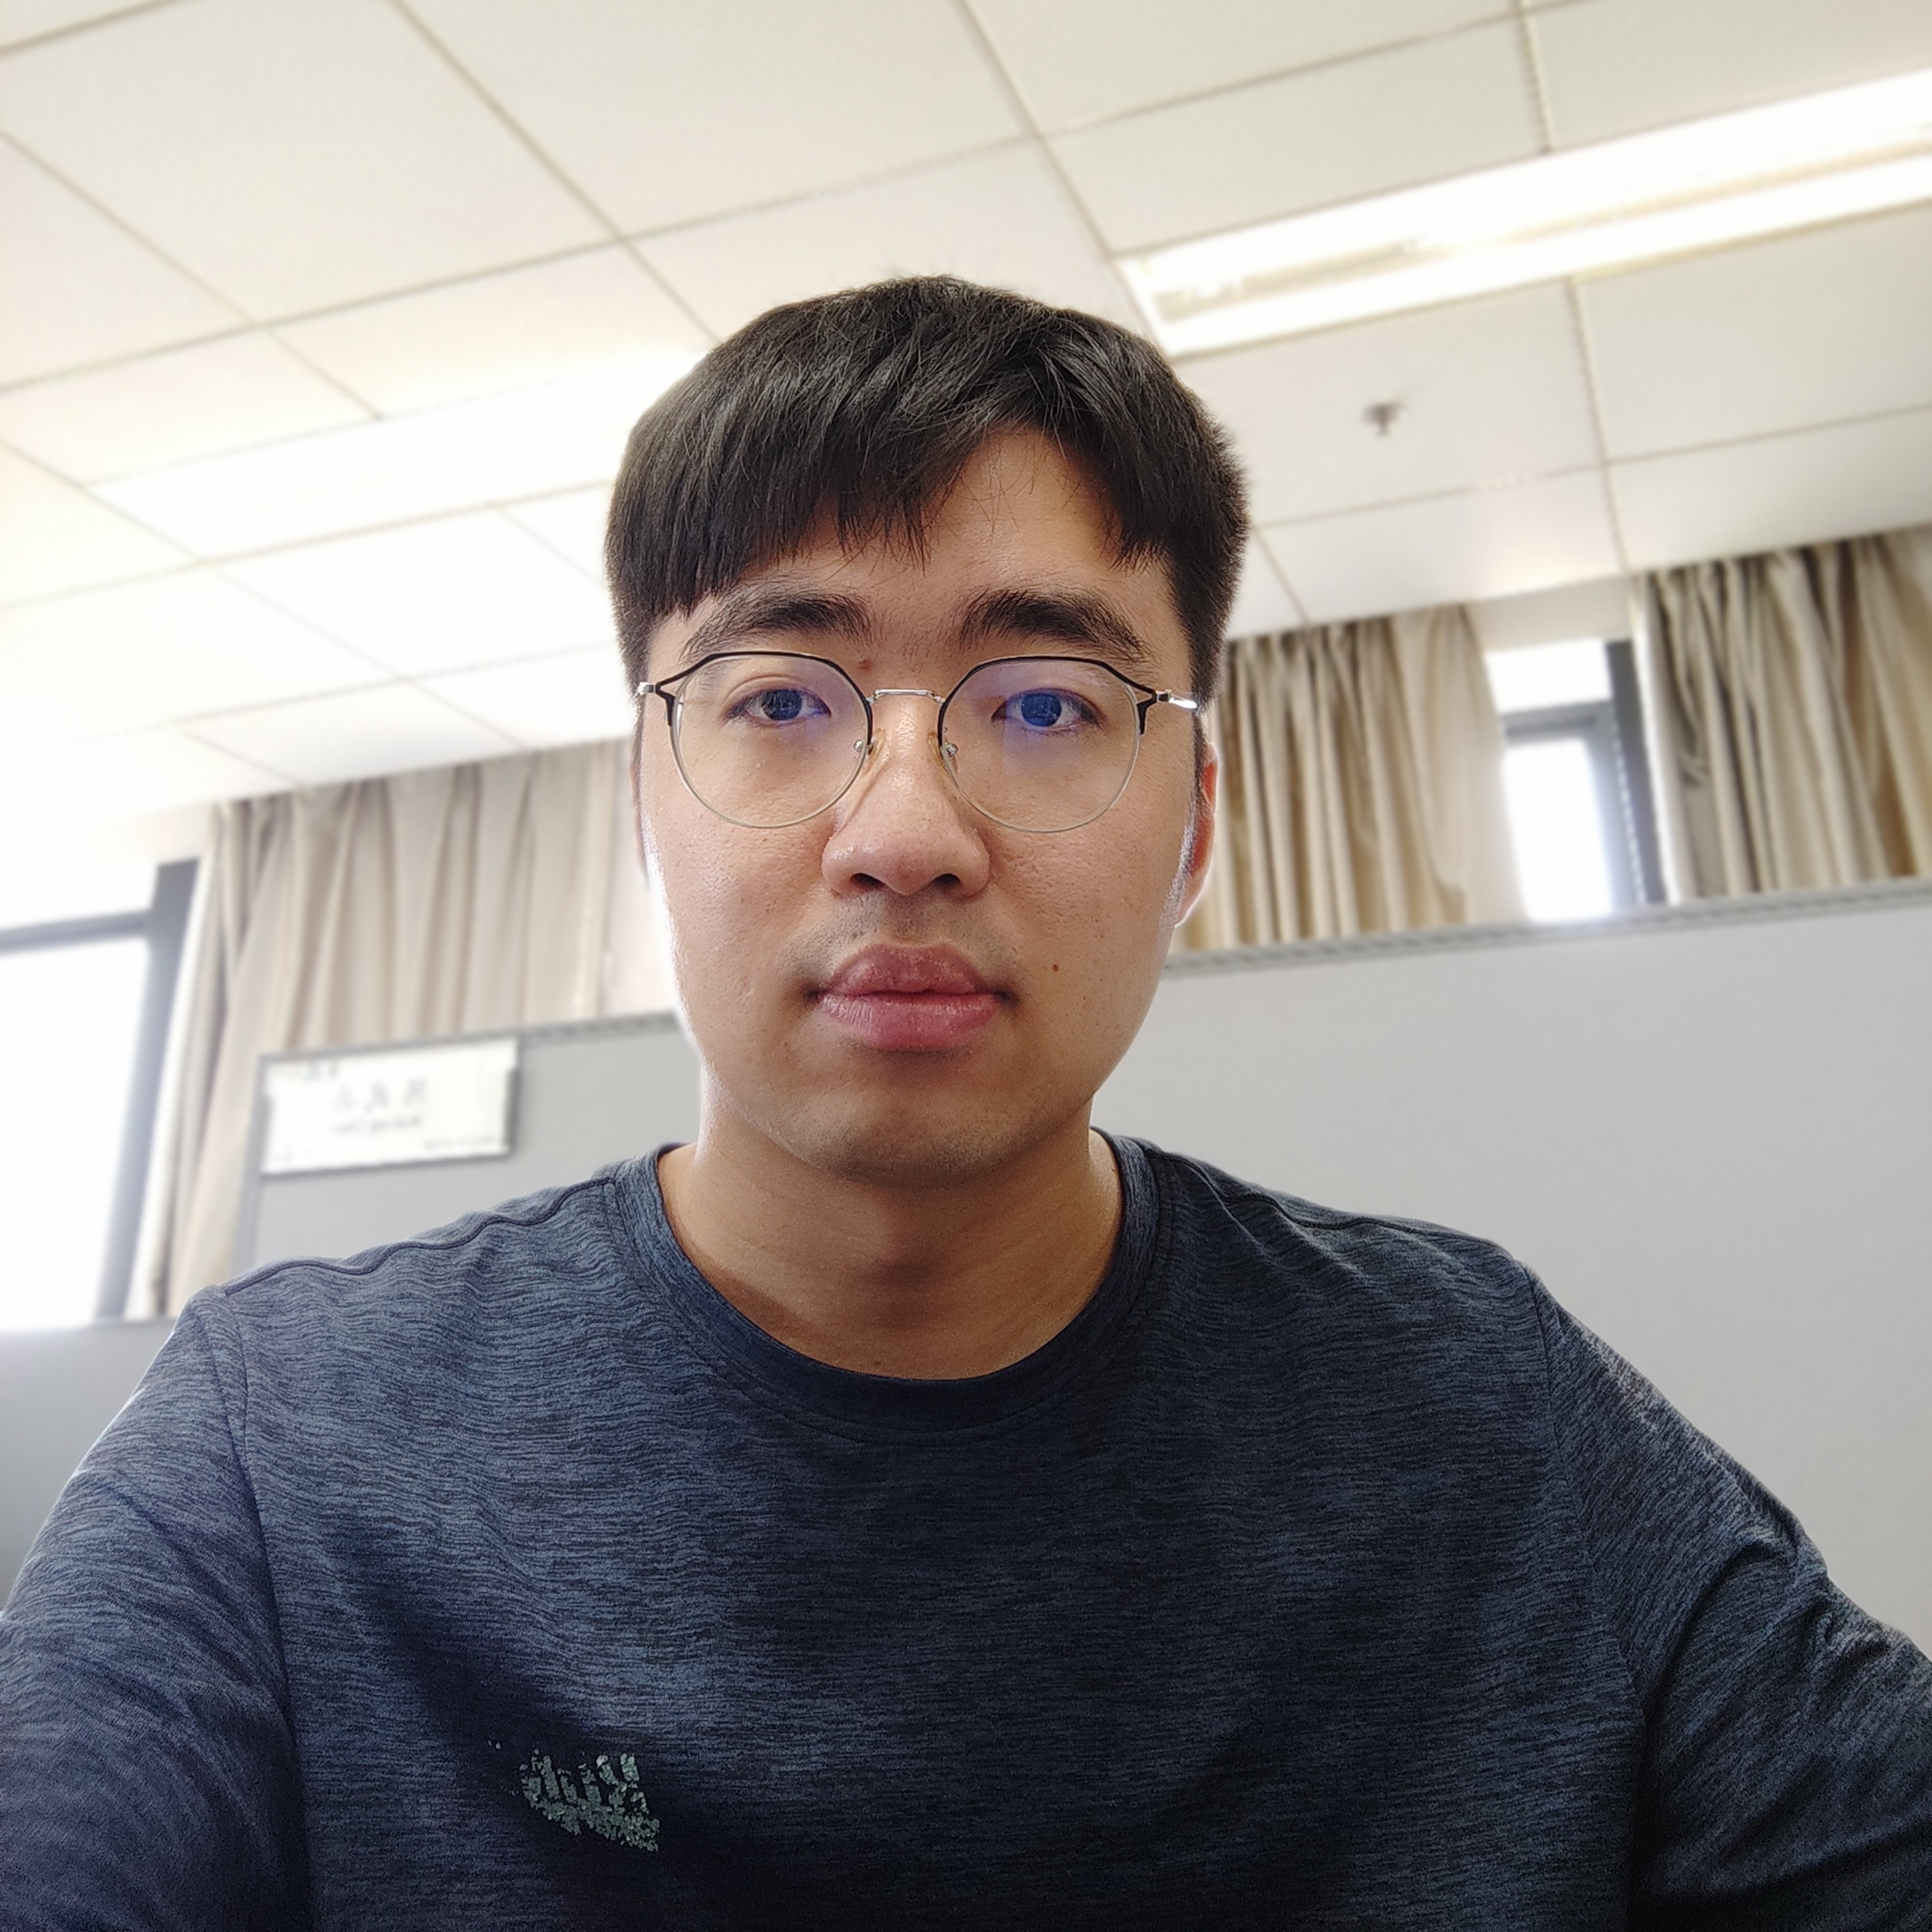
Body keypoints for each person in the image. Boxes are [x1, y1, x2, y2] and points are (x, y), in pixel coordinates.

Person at [2, 277, 1928, 1930]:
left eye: (1044, 707)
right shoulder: (281, 1450)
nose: (905, 832)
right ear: (644, 811)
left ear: (1198, 827)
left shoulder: (1487, 1420)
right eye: (780, 700)